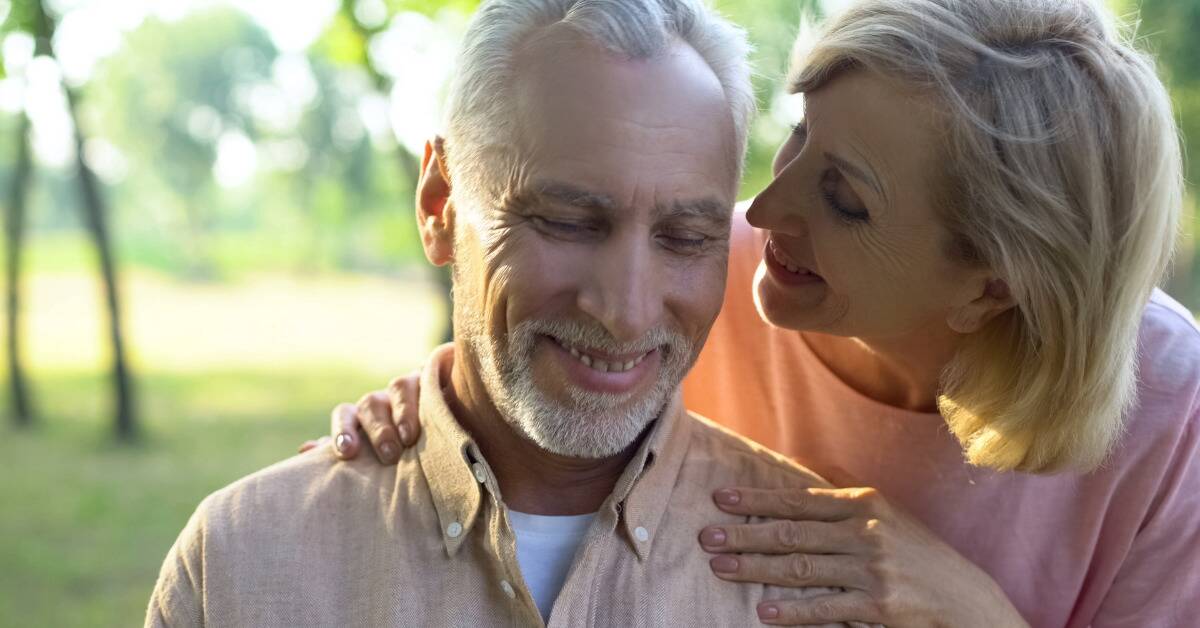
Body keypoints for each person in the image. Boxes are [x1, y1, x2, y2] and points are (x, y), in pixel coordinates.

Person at [313, 0, 1200, 625]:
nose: (766, 210)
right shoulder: (712, 265)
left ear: (989, 285)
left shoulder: (1173, 416)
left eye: (844, 198)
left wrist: (975, 614)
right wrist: (440, 409)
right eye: (799, 138)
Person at [146, 1, 887, 626]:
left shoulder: (827, 582)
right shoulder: (243, 561)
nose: (626, 313)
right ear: (440, 204)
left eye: (686, 238)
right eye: (568, 222)